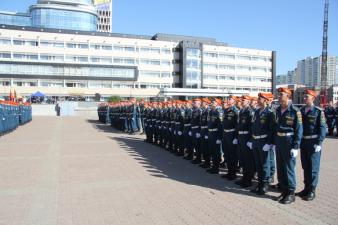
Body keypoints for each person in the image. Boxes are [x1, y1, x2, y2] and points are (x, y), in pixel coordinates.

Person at [274, 87, 303, 204]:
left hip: (289, 141)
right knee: (280, 167)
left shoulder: (295, 111)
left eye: (281, 95)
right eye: (279, 95)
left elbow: (299, 130)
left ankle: (291, 192)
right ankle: (284, 190)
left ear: (288, 96)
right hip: (279, 141)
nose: (279, 97)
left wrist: (296, 146)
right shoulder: (277, 110)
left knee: (289, 168)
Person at [296, 89, 326, 201]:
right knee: (305, 166)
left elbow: (323, 128)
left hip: (313, 143)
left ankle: (312, 190)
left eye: (306, 97)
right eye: (303, 97)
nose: (304, 99)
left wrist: (319, 142)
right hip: (303, 142)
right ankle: (306, 188)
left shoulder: (318, 111)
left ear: (313, 98)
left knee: (313, 167)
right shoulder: (301, 111)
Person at [249, 92, 275, 195]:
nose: (258, 100)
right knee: (258, 164)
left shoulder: (270, 113)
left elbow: (272, 129)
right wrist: (251, 140)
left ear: (265, 100)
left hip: (264, 141)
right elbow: (253, 127)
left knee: (265, 165)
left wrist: (269, 143)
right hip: (255, 141)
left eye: (260, 98)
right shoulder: (257, 112)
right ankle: (260, 183)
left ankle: (264, 185)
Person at [235, 95, 255, 188]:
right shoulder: (242, 111)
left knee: (248, 160)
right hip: (240, 136)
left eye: (244, 100)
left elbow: (252, 127)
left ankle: (248, 180)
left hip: (246, 137)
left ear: (248, 101)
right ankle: (244, 178)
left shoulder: (250, 112)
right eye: (242, 100)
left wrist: (251, 140)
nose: (242, 101)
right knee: (242, 159)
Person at [222, 95, 239, 180]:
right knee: (227, 154)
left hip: (232, 134)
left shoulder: (235, 111)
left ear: (234, 101)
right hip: (225, 134)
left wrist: (236, 137)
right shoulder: (226, 110)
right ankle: (229, 172)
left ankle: (233, 173)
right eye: (227, 99)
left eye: (230, 99)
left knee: (232, 155)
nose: (228, 100)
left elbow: (237, 125)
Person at [206, 98, 223, 174]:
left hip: (216, 134)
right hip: (210, 133)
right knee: (212, 150)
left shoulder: (218, 112)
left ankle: (216, 168)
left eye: (213, 102)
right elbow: (208, 123)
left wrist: (219, 137)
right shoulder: (210, 111)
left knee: (216, 152)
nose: (211, 103)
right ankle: (213, 167)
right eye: (211, 102)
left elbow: (220, 125)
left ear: (217, 103)